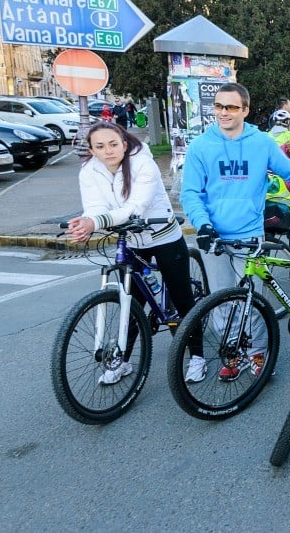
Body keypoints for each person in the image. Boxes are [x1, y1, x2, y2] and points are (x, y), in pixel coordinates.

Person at [181, 82, 290, 379]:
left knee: (251, 299)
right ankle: (233, 350)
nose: (223, 112)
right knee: (219, 299)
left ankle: (257, 352)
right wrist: (202, 225)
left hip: (248, 233)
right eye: (218, 106)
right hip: (213, 235)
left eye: (231, 107)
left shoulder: (261, 143)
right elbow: (191, 193)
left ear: (245, 110)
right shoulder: (201, 146)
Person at [67, 122, 199, 384]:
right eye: (100, 146)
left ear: (124, 144)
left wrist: (96, 222)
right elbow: (94, 206)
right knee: (132, 302)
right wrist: (86, 222)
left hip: (162, 234)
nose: (108, 151)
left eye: (113, 144)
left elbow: (136, 207)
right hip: (131, 240)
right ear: (92, 150)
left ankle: (198, 356)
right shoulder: (89, 171)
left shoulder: (142, 162)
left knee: (181, 296)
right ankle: (122, 360)